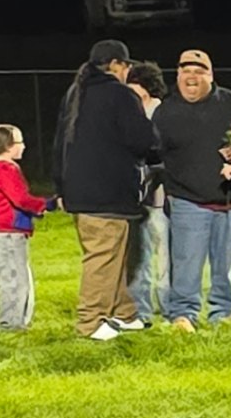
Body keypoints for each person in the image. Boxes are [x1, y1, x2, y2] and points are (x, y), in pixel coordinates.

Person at [55, 41, 159, 338]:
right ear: (115, 64)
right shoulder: (120, 94)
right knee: (102, 257)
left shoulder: (75, 93)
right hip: (108, 192)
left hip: (80, 191)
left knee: (115, 254)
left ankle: (123, 314)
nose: (128, 72)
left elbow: (59, 144)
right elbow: (142, 141)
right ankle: (91, 322)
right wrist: (157, 148)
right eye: (126, 66)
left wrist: (60, 187)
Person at [153, 48, 231, 326]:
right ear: (178, 75)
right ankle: (183, 314)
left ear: (211, 75)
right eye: (186, 71)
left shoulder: (230, 101)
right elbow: (152, 152)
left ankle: (224, 312)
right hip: (188, 200)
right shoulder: (166, 111)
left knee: (225, 264)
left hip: (230, 199)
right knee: (186, 263)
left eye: (199, 71)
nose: (192, 76)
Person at [0, 124, 51, 331]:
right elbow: (20, 199)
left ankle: (13, 322)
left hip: (1, 233)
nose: (24, 146)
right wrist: (45, 205)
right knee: (16, 279)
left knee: (9, 277)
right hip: (9, 233)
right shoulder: (6, 169)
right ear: (8, 146)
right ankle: (11, 324)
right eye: (20, 142)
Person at [123, 60, 171, 328]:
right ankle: (139, 312)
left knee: (166, 259)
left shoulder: (163, 116)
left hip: (162, 200)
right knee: (138, 259)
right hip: (136, 201)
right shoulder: (128, 117)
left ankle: (168, 309)